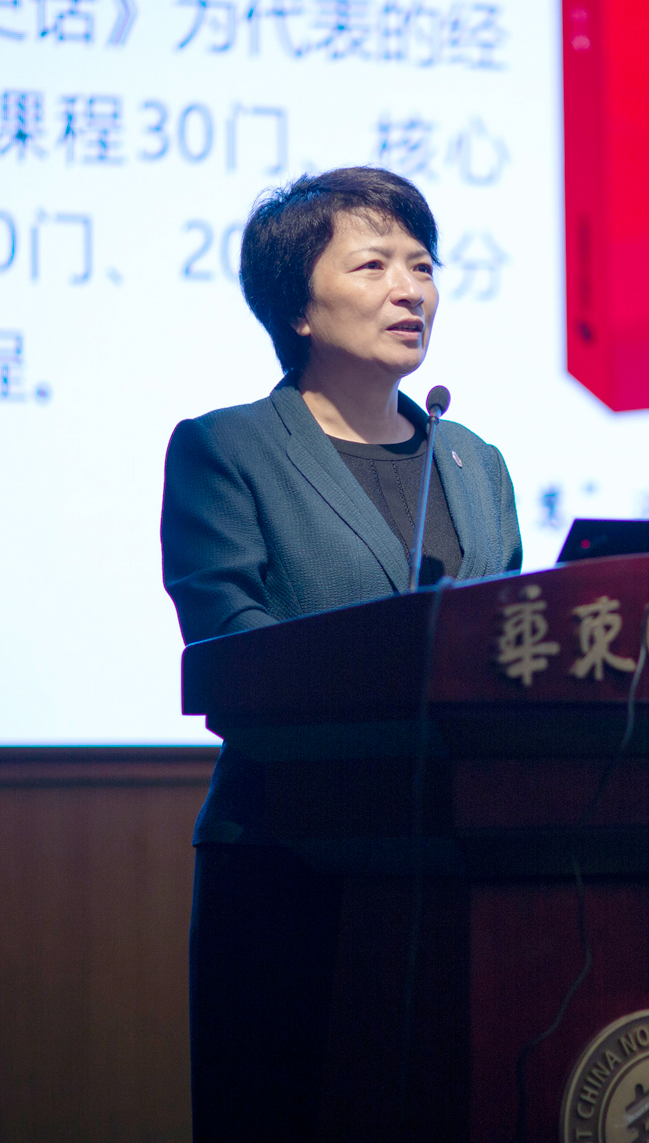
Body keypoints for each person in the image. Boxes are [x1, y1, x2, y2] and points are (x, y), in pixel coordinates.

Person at [159, 166, 522, 1140]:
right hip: (289, 858)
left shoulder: (474, 462)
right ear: (297, 308)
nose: (411, 290)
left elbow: (514, 643)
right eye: (374, 265)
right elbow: (228, 643)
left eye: (423, 265)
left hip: (460, 860)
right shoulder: (225, 449)